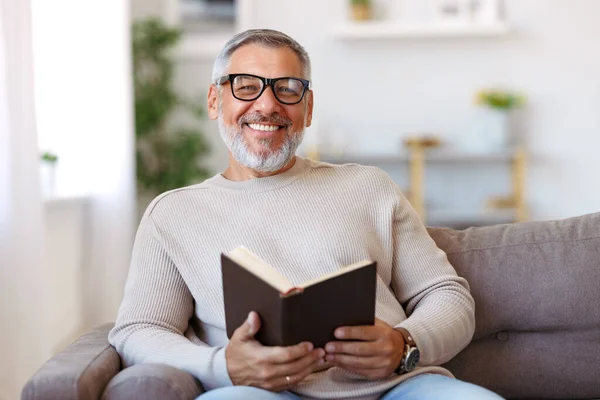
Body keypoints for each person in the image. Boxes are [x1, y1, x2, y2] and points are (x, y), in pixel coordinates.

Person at [108, 29, 504, 400]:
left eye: (288, 89)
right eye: (246, 86)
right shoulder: (172, 214)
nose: (267, 104)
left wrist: (405, 343)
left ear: (308, 107)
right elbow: (139, 330)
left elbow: (447, 295)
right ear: (215, 101)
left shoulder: (368, 186)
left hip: (396, 389)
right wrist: (223, 365)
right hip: (260, 393)